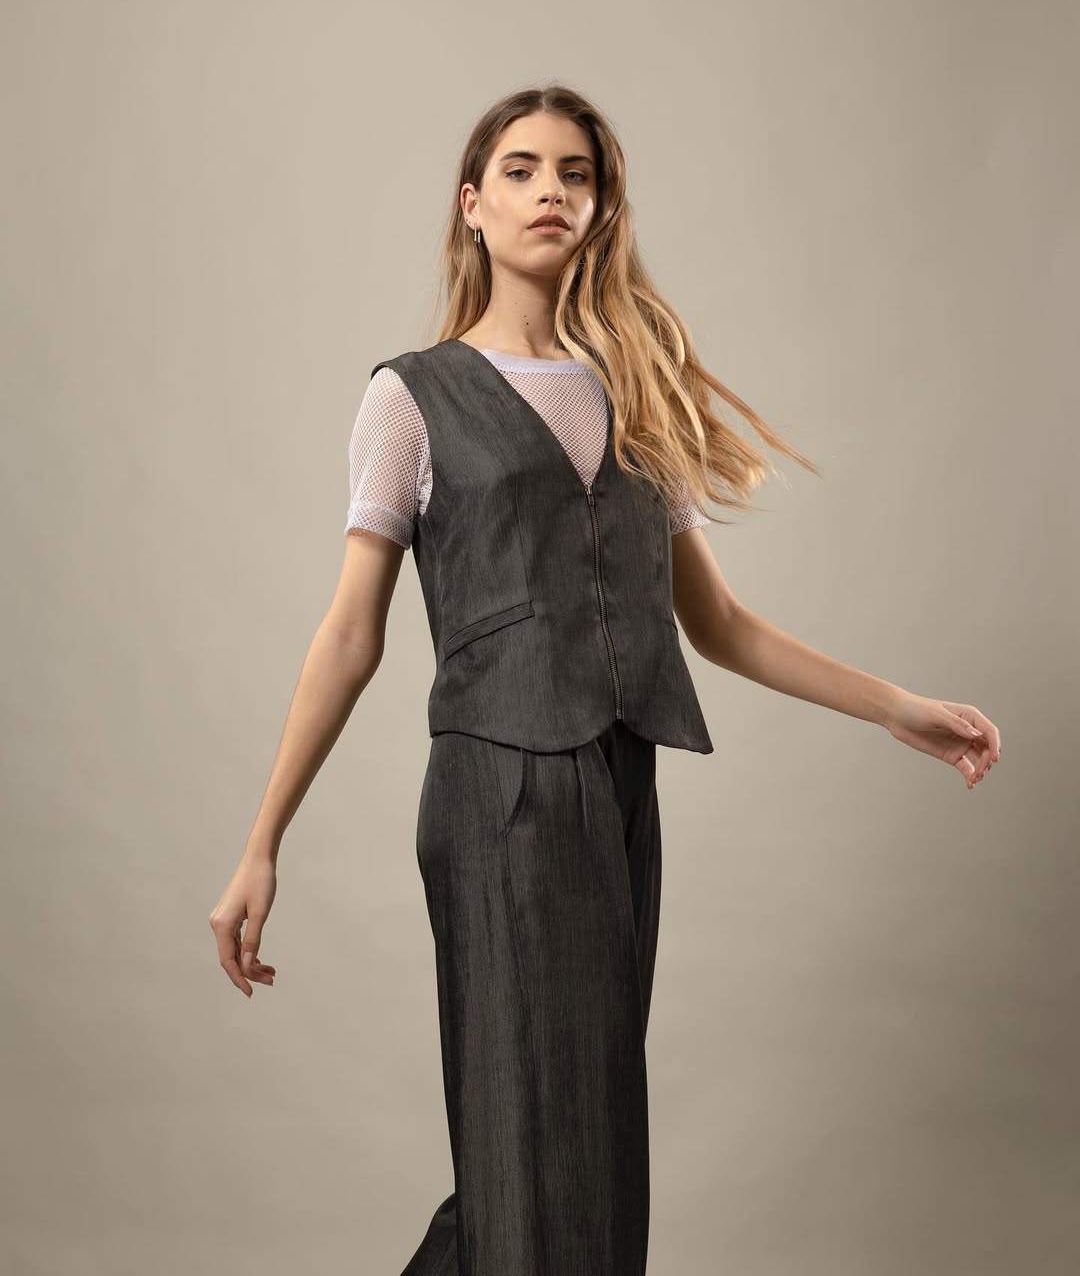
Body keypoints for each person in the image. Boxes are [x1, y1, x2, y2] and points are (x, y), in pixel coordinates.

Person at [208, 83, 1003, 1275]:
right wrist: (263, 840)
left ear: (600, 206)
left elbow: (718, 623)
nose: (551, 192)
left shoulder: (637, 393)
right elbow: (349, 635)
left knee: (583, 1142)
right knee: (530, 1139)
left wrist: (898, 707)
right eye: (522, 170)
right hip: (499, 791)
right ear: (473, 206)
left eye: (575, 173)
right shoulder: (410, 398)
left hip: (622, 788)